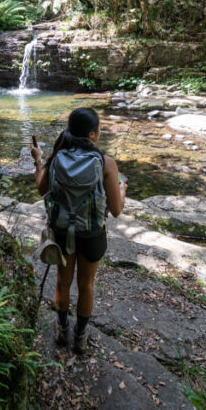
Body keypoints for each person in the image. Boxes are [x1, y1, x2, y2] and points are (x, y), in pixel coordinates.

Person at [30, 107, 126, 354]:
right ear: (92, 135)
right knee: (87, 285)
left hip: (62, 231)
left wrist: (38, 160)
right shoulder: (106, 163)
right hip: (92, 233)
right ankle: (80, 336)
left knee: (63, 281)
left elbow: (42, 189)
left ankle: (61, 330)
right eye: (100, 129)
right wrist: (122, 190)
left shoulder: (57, 155)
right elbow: (116, 210)